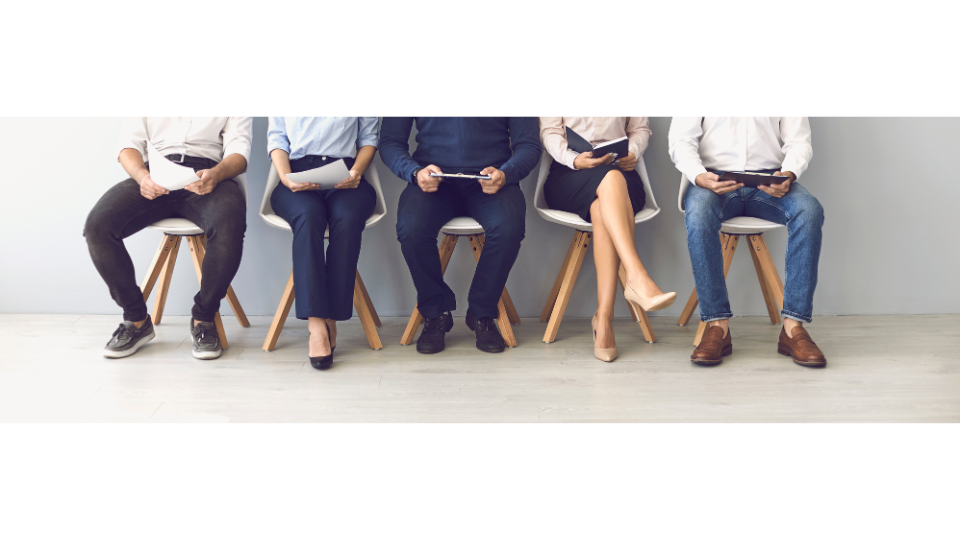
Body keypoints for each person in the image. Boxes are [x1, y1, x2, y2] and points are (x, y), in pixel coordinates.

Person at [84, 117, 253, 360]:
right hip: (154, 175)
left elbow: (240, 150)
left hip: (208, 176)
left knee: (230, 224)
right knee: (98, 226)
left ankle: (203, 318)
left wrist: (215, 174)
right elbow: (127, 146)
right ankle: (136, 320)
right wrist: (142, 177)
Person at [668, 117, 826, 367]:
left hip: (768, 181)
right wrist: (699, 176)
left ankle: (793, 328)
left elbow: (799, 142)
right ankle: (717, 325)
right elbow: (681, 140)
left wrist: (789, 173)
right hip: (714, 180)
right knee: (698, 215)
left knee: (809, 211)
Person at [379, 117, 540, 354]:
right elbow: (390, 142)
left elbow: (529, 145)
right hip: (434, 180)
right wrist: (414, 172)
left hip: (492, 179)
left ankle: (481, 312)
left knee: (508, 228)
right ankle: (435, 313)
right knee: (411, 229)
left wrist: (506, 174)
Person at [540, 117, 676, 362]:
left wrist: (632, 152)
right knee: (608, 186)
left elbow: (640, 130)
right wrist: (573, 159)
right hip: (570, 174)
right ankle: (636, 277)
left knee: (603, 202)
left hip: (622, 177)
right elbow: (550, 132)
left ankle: (603, 319)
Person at [267, 117, 379, 370]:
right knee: (308, 216)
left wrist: (357, 172)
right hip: (296, 174)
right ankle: (316, 324)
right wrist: (286, 178)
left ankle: (332, 317)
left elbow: (369, 139)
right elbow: (277, 140)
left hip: (347, 174)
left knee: (347, 217)